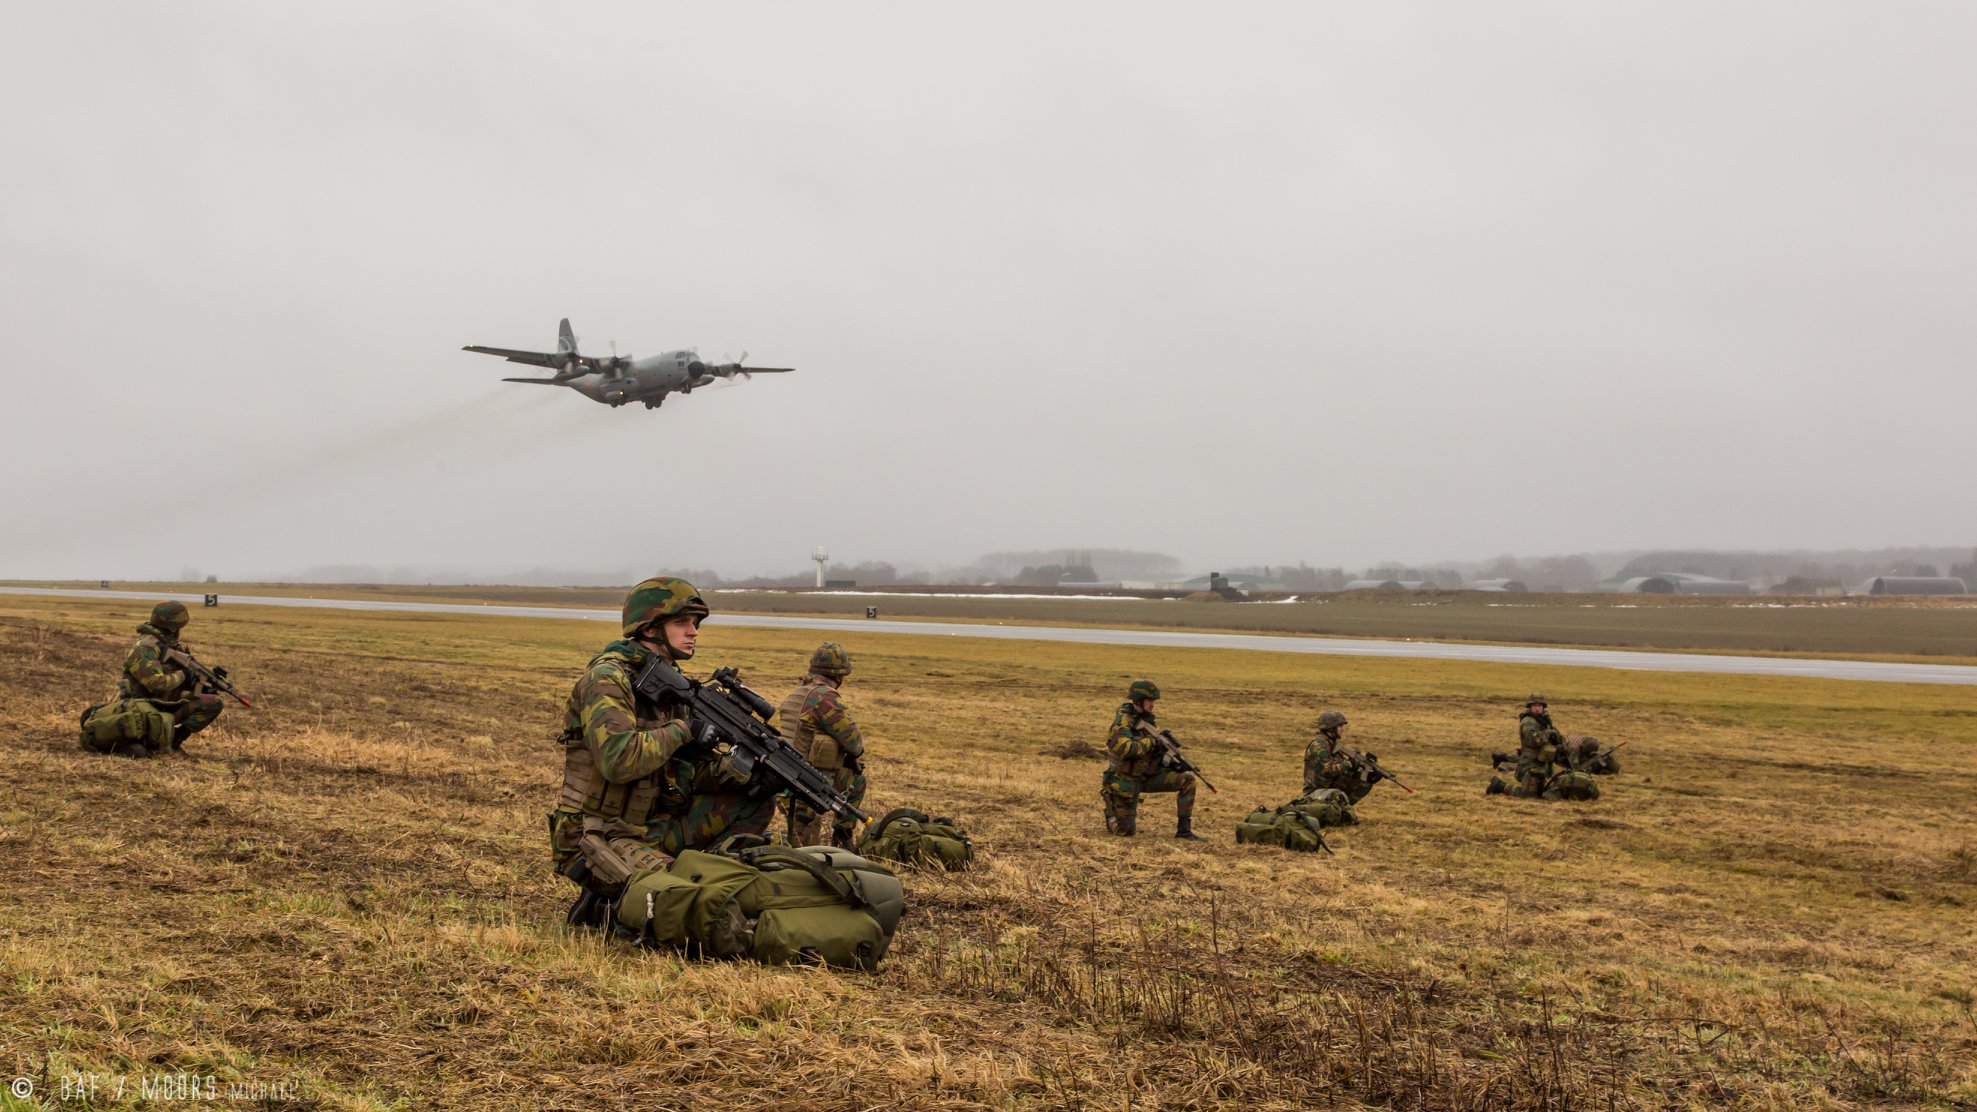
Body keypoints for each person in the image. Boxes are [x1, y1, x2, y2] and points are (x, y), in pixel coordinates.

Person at [548, 577, 774, 911]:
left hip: (650, 825)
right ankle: (608, 905)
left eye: (695, 623)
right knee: (688, 902)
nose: (694, 631)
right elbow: (618, 759)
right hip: (596, 834)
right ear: (650, 628)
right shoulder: (608, 679)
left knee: (753, 804)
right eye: (682, 622)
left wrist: (742, 772)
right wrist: (684, 730)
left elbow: (685, 775)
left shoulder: (675, 687)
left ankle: (692, 875)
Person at [777, 642, 868, 849]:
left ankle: (841, 837)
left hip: (784, 776)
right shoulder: (824, 697)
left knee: (856, 779)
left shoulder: (796, 693)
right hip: (808, 783)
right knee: (806, 851)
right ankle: (841, 839)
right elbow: (854, 744)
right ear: (840, 676)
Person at [1102, 679, 1204, 840]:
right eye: (1150, 701)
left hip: (1146, 776)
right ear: (1138, 700)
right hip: (1124, 780)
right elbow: (1125, 749)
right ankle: (1111, 814)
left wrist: (1172, 765)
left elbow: (1150, 755)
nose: (1153, 705)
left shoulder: (1147, 721)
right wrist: (1151, 742)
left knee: (1187, 780)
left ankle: (1184, 831)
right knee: (1125, 831)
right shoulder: (1122, 722)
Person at [117, 600, 225, 751]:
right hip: (141, 710)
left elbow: (176, 680)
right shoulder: (145, 647)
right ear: (174, 627)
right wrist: (184, 675)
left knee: (213, 702)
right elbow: (155, 683)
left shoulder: (171, 646)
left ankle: (174, 741)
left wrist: (198, 685)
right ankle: (155, 738)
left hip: (163, 705)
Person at [1487, 693, 1594, 799]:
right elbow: (1532, 739)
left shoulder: (1544, 721)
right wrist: (1548, 734)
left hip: (1542, 765)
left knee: (1540, 794)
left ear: (1543, 707)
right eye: (1534, 706)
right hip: (1530, 765)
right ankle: (1499, 786)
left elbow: (1556, 736)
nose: (1537, 708)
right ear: (1530, 707)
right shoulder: (1528, 721)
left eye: (1539, 706)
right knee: (1528, 795)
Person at [1303, 710, 1379, 803]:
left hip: (1330, 791)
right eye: (1340, 726)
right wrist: (1350, 763)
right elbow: (1327, 771)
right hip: (1317, 795)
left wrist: (1367, 771)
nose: (1343, 729)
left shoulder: (1331, 745)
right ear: (1331, 728)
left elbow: (1342, 772)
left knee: (1365, 782)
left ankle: (1343, 808)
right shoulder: (1318, 745)